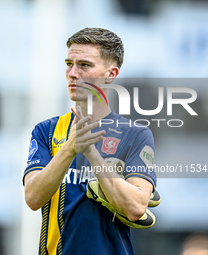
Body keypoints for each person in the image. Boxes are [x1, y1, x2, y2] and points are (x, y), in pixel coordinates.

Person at [23, 27, 157, 255]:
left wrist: (93, 156)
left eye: (84, 65)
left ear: (111, 74)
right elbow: (33, 198)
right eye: (69, 64)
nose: (73, 73)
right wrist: (69, 149)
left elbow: (136, 207)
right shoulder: (46, 131)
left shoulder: (135, 134)